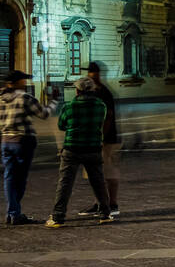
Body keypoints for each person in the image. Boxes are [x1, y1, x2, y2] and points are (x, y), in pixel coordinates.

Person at [46, 77, 114, 227]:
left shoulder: (69, 106)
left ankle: (58, 217)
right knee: (98, 182)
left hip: (72, 148)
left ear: (77, 90)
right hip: (93, 148)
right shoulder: (100, 106)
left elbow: (62, 125)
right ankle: (104, 214)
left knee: (65, 183)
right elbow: (100, 123)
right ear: (92, 90)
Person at [1, 70, 54, 225]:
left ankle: (12, 212)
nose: (25, 83)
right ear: (17, 82)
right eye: (23, 80)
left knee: (9, 177)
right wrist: (53, 102)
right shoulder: (25, 98)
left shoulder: (1, 99)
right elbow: (43, 114)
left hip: (6, 141)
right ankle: (14, 212)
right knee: (21, 178)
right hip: (23, 141)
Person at [77, 62, 120, 218]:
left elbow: (107, 117)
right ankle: (102, 203)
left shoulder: (100, 92)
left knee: (103, 171)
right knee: (100, 172)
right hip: (104, 137)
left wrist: (100, 137)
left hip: (104, 139)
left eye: (89, 73)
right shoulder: (101, 91)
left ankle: (109, 204)